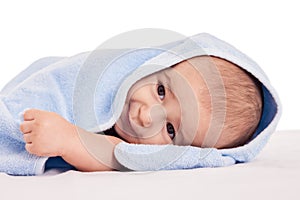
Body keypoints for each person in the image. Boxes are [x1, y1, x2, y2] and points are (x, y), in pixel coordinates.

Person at [19, 55, 262, 172]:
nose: (147, 117)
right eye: (161, 91)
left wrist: (68, 139)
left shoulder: (128, 148)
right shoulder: (106, 79)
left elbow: (111, 153)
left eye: (170, 130)